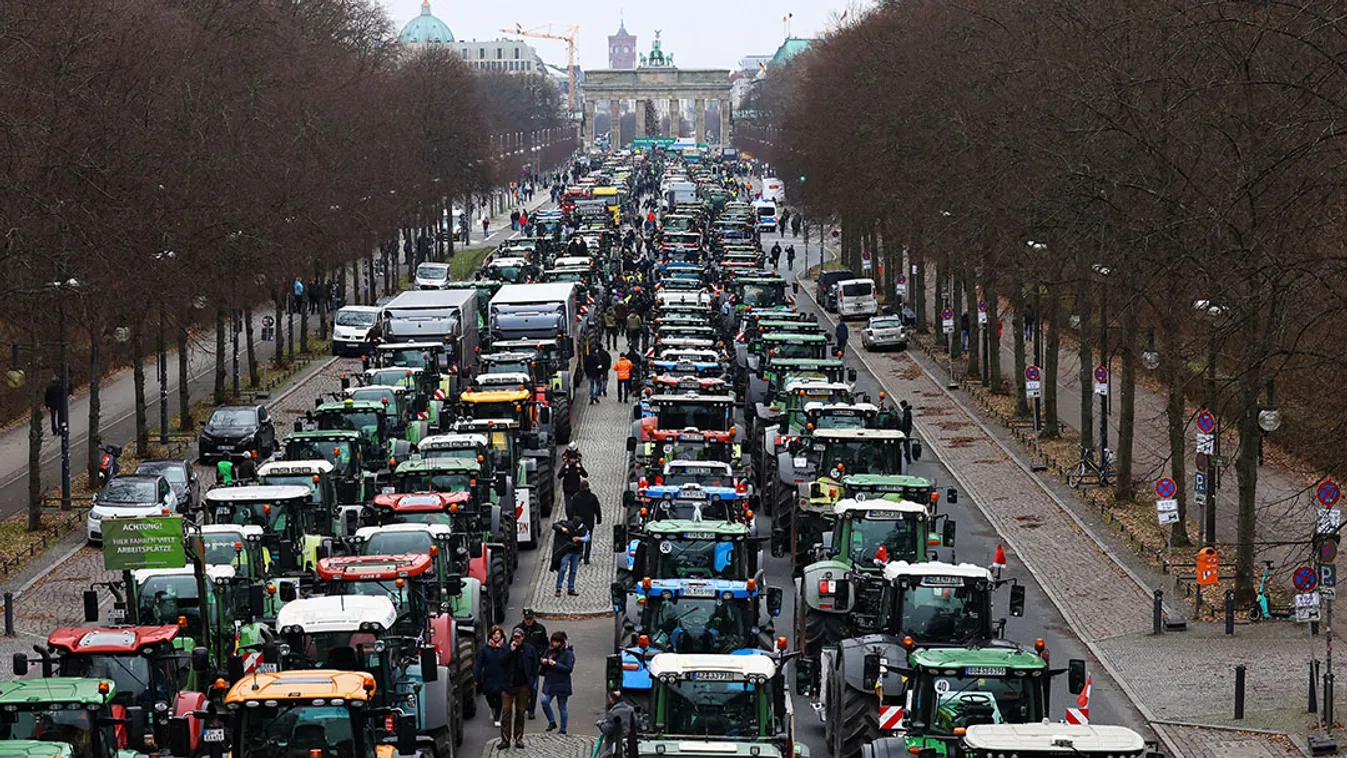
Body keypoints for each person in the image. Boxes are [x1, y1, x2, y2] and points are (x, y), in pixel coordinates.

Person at [499, 628, 537, 749]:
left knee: (520, 712)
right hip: (508, 686)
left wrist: (530, 681)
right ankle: (505, 739)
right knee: (506, 712)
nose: (516, 639)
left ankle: (518, 738)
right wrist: (511, 651)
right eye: (514, 637)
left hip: (523, 686)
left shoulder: (529, 650)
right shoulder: (506, 648)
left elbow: (534, 666)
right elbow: (500, 662)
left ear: (523, 637)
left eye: (518, 637)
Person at [513, 609, 548, 719]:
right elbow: (512, 643)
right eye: (527, 619)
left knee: (533, 687)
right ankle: (523, 706)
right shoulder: (518, 629)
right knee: (521, 687)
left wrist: (541, 654)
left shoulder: (540, 629)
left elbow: (545, 644)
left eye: (530, 619)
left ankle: (531, 709)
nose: (528, 621)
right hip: (520, 663)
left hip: (534, 662)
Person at [540, 631, 575, 734]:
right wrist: (544, 661)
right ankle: (552, 721)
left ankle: (563, 729)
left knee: (562, 707)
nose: (554, 644)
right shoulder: (550, 651)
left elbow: (568, 669)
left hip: (562, 683)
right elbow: (543, 658)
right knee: (544, 701)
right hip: (550, 681)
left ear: (561, 642)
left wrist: (556, 664)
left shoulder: (568, 654)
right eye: (553, 641)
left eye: (556, 642)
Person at [475, 625, 509, 727]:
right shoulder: (485, 648)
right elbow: (479, 663)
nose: (496, 636)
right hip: (489, 676)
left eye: (498, 634)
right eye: (494, 634)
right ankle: (493, 707)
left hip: (501, 676)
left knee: (499, 697)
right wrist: (477, 677)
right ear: (491, 636)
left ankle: (497, 717)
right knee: (489, 695)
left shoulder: (505, 648)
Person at [551, 515, 589, 597]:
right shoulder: (566, 525)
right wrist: (562, 529)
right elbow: (555, 525)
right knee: (563, 569)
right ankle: (558, 588)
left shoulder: (583, 529)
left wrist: (579, 539)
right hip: (567, 552)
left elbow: (587, 537)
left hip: (576, 552)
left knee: (573, 571)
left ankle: (571, 589)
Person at [567, 480, 602, 564]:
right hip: (589, 521)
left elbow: (571, 509)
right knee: (588, 539)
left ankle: (579, 555)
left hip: (579, 522)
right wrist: (599, 518)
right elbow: (597, 509)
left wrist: (570, 519)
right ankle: (586, 557)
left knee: (579, 538)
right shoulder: (592, 497)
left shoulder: (576, 497)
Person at [598, 690, 637, 758]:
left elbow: (608, 729)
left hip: (617, 743)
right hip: (631, 742)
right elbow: (636, 722)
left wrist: (600, 724)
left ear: (612, 699)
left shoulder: (613, 712)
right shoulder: (631, 709)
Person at [898, 400, 914, 465]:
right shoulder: (907, 412)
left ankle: (908, 457)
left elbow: (906, 422)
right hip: (907, 430)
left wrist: (906, 431)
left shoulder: (907, 412)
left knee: (906, 444)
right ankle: (907, 456)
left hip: (906, 431)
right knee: (906, 444)